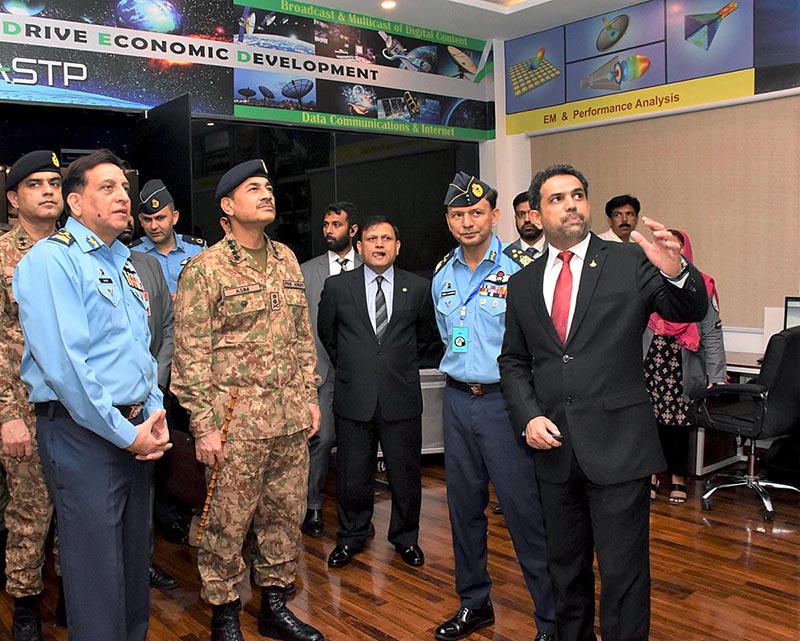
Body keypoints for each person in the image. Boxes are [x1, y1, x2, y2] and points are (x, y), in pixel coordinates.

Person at [498, 164, 708, 641]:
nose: (571, 204)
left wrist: (676, 272)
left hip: (619, 448)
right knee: (566, 572)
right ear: (536, 212)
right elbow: (512, 361)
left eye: (577, 195)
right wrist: (528, 414)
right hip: (554, 451)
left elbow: (687, 309)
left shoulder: (628, 262)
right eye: (557, 198)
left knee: (623, 576)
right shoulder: (523, 283)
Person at [13, 148, 170, 641]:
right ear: (75, 204)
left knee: (130, 567)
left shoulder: (125, 263)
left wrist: (156, 411)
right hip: (83, 434)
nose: (124, 197)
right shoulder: (50, 261)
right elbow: (66, 367)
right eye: (108, 188)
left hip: (134, 430)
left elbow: (140, 353)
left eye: (124, 187)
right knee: (96, 577)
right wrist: (128, 434)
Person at [172, 159, 323, 641]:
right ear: (227, 206)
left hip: (289, 419)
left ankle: (274, 604)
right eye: (253, 188)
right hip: (234, 423)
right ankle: (225, 614)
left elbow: (302, 338)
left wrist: (310, 397)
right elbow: (190, 355)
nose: (266, 194)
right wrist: (203, 425)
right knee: (226, 521)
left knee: (285, 513)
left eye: (269, 187)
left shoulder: (286, 260)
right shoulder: (205, 269)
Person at [431, 172, 555, 641]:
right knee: (463, 511)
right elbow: (448, 341)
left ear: (495, 216)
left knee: (526, 515)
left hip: (507, 406)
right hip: (459, 402)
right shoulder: (442, 274)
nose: (467, 222)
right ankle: (475, 603)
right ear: (448, 220)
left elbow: (541, 345)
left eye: (476, 213)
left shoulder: (524, 267)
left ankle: (551, 619)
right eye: (458, 215)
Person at [318, 215, 436, 568]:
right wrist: (358, 367)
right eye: (372, 239)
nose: (380, 244)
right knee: (354, 476)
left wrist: (393, 368)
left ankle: (405, 538)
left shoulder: (417, 287)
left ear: (398, 247)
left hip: (401, 398)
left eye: (387, 238)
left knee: (405, 475)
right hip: (355, 397)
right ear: (359, 246)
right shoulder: (338, 287)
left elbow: (428, 340)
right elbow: (329, 335)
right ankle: (353, 534)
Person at [0, 150, 62, 641]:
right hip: (24, 407)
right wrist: (7, 415)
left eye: (55, 183)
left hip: (81, 409)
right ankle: (25, 604)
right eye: (35, 183)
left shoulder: (80, 249)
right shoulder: (2, 255)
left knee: (77, 508)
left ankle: (69, 594)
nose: (47, 190)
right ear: (12, 198)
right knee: (29, 509)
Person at [119, 213, 181, 588]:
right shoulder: (74, 263)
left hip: (151, 398)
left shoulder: (149, 266)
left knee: (145, 488)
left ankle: (142, 562)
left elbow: (169, 326)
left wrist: (155, 383)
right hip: (104, 403)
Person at [645, 229, 726, 505]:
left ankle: (678, 477)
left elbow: (713, 333)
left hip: (682, 362)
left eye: (676, 248)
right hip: (650, 360)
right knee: (649, 423)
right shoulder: (650, 281)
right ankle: (653, 475)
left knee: (678, 424)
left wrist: (716, 375)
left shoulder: (700, 284)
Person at [299, 201, 361, 538]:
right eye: (325, 224)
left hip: (359, 372)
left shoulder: (371, 266)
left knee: (355, 441)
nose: (328, 231)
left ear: (352, 230)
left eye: (336, 224)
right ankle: (312, 507)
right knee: (321, 438)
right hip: (320, 371)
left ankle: (354, 511)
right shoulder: (307, 271)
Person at [132, 178, 205, 295]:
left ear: (174, 217)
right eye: (147, 219)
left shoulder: (197, 249)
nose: (153, 226)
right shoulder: (132, 254)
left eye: (160, 218)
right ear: (140, 220)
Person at [508, 190, 546, 258]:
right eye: (521, 215)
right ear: (515, 218)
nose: (527, 220)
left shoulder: (557, 250)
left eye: (532, 214)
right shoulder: (507, 254)